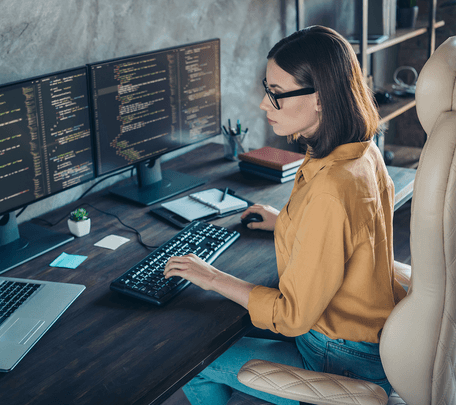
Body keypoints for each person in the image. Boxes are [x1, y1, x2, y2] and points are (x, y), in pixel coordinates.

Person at [163, 25, 407, 405]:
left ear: (321, 98)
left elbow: (292, 315)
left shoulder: (331, 189)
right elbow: (352, 230)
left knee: (189, 358)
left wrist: (211, 276)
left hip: (339, 357)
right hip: (367, 335)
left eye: (276, 95)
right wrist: (287, 221)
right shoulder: (358, 149)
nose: (263, 105)